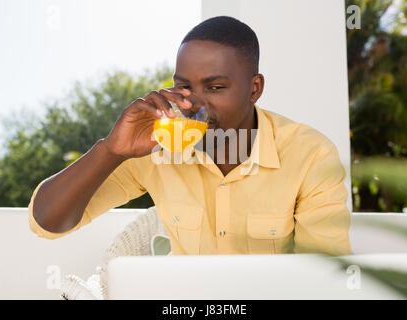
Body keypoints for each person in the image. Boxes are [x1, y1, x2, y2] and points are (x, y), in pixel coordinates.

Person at [28, 16, 352, 256]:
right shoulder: (158, 146)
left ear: (255, 89)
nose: (194, 103)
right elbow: (48, 223)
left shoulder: (310, 154)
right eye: (183, 86)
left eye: (215, 87)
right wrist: (112, 150)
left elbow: (324, 276)